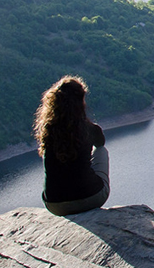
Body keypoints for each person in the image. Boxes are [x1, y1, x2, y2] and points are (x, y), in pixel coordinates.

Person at [33, 75, 110, 216]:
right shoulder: (88, 128)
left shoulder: (48, 129)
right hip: (91, 198)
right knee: (101, 151)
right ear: (80, 101)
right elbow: (100, 143)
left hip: (54, 205)